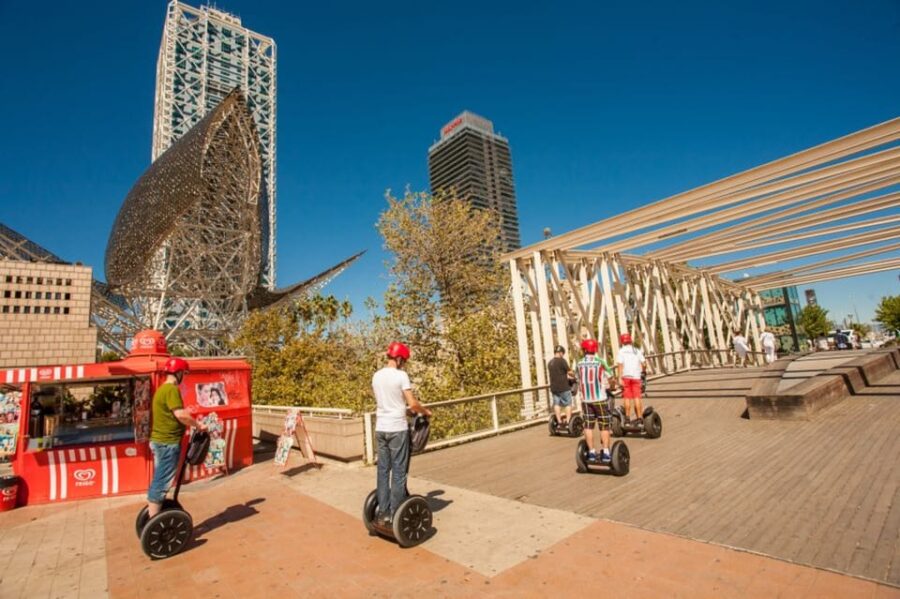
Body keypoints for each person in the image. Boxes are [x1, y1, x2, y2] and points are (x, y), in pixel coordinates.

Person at [372, 342, 432, 525]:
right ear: (398, 358)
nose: (404, 364)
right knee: (398, 472)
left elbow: (389, 404)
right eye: (403, 360)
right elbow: (412, 403)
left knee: (383, 471)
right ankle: (395, 513)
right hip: (397, 429)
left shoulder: (377, 375)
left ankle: (383, 512)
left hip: (381, 428)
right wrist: (425, 412)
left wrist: (404, 411)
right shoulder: (401, 376)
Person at [146, 357, 205, 519]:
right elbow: (180, 414)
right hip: (167, 443)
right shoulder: (171, 390)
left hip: (160, 441)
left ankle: (154, 513)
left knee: (160, 476)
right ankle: (154, 518)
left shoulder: (161, 390)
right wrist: (198, 425)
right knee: (162, 480)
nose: (184, 377)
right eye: (184, 374)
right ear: (178, 373)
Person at [576, 339, 615, 463]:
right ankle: (606, 453)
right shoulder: (600, 362)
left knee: (588, 425)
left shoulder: (579, 364)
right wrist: (612, 386)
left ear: (584, 350)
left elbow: (578, 378)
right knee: (604, 425)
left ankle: (592, 452)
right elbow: (611, 377)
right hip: (600, 399)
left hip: (586, 400)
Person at [616, 333, 646, 425]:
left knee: (627, 398)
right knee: (637, 397)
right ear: (630, 340)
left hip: (626, 377)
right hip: (636, 377)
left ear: (622, 342)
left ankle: (627, 419)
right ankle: (640, 418)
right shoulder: (637, 350)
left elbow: (620, 365)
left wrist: (619, 378)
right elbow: (644, 364)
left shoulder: (621, 351)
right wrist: (643, 372)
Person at [547, 345, 575, 426]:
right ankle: (568, 421)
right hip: (564, 387)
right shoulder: (562, 361)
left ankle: (559, 421)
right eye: (562, 353)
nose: (563, 355)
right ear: (560, 353)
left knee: (556, 404)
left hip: (554, 388)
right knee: (568, 404)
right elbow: (569, 372)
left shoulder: (550, 363)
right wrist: (573, 375)